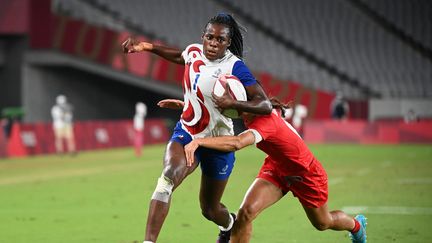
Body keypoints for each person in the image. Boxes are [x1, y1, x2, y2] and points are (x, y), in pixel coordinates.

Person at [121, 13, 272, 243]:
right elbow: (179, 56)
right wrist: (146, 47)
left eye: (220, 39)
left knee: (210, 210)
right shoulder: (193, 51)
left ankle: (229, 224)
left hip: (218, 142)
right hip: (188, 131)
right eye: (209, 37)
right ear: (203, 36)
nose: (213, 43)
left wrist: (233, 103)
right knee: (168, 178)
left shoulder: (234, 66)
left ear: (228, 42)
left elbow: (264, 104)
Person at [184, 95, 368, 243]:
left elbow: (238, 143)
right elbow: (215, 109)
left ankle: (356, 226)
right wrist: (186, 106)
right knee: (245, 213)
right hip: (277, 167)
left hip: (306, 174)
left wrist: (198, 141)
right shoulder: (250, 111)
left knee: (323, 222)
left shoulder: (265, 121)